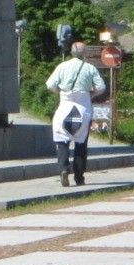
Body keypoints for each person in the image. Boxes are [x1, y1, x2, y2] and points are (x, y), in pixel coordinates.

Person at [45, 39, 105, 186]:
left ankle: (63, 169)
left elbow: (49, 85)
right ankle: (79, 177)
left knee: (62, 140)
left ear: (72, 52)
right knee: (81, 142)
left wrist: (60, 92)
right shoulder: (90, 68)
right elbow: (101, 87)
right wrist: (91, 94)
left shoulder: (62, 66)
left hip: (65, 105)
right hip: (83, 106)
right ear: (84, 53)